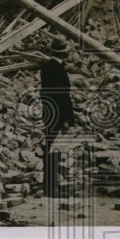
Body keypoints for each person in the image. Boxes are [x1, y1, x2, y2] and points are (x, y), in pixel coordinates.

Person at [40, 36, 74, 198]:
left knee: (51, 148)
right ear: (64, 54)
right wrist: (66, 119)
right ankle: (50, 187)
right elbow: (62, 97)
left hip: (49, 113)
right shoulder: (58, 70)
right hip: (58, 115)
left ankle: (50, 184)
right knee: (54, 150)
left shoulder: (46, 67)